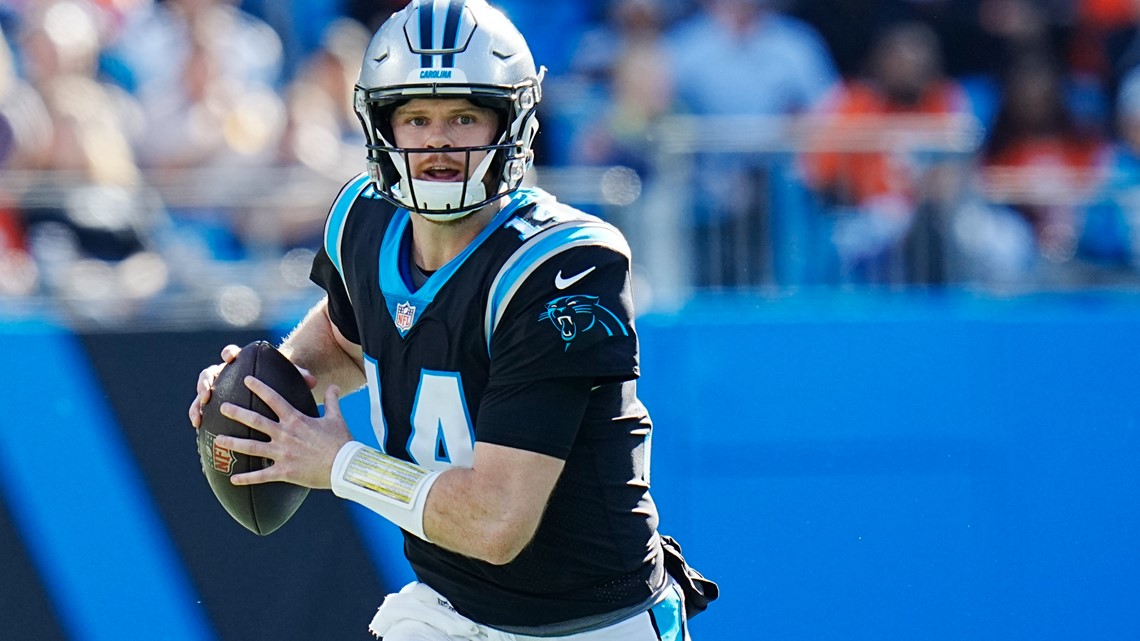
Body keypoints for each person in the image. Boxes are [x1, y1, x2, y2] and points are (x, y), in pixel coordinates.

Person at [187, 1, 716, 639]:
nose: (438, 138)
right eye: (417, 117)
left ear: (510, 121)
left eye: (464, 115)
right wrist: (267, 388)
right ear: (382, 126)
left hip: (589, 622)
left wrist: (340, 463)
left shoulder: (564, 268)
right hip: (448, 605)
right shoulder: (364, 218)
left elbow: (497, 523)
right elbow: (351, 336)